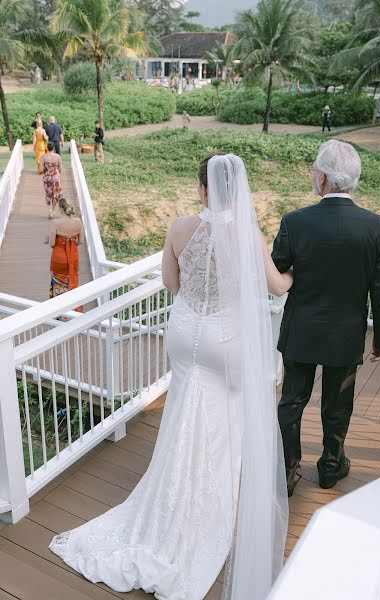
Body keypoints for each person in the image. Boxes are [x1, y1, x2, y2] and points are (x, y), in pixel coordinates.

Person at [49, 153, 292, 599]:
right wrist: (296, 276)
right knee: (221, 417)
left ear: (202, 188)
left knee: (185, 407)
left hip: (183, 333)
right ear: (236, 191)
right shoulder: (248, 235)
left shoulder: (180, 228)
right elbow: (276, 286)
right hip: (223, 338)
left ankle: (172, 492)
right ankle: (208, 504)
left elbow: (170, 282)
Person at [272, 140, 380, 497]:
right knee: (338, 405)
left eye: (314, 169)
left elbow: (276, 271)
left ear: (322, 178)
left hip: (301, 331)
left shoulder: (295, 221)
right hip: (345, 333)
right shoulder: (377, 226)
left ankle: (288, 470)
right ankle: (330, 466)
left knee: (291, 401)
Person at [48, 197, 84, 312]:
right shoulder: (78, 222)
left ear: (60, 208)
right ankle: (73, 309)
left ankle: (58, 311)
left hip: (58, 258)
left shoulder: (55, 223)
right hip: (73, 257)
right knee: (72, 280)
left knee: (57, 284)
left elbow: (51, 243)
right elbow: (81, 241)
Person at [40, 141, 62, 219]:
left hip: (47, 177)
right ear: (53, 148)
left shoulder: (43, 157)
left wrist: (46, 169)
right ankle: (53, 211)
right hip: (56, 177)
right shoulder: (58, 156)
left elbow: (41, 170)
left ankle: (50, 211)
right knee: (55, 194)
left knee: (48, 194)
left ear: (47, 148)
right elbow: (60, 169)